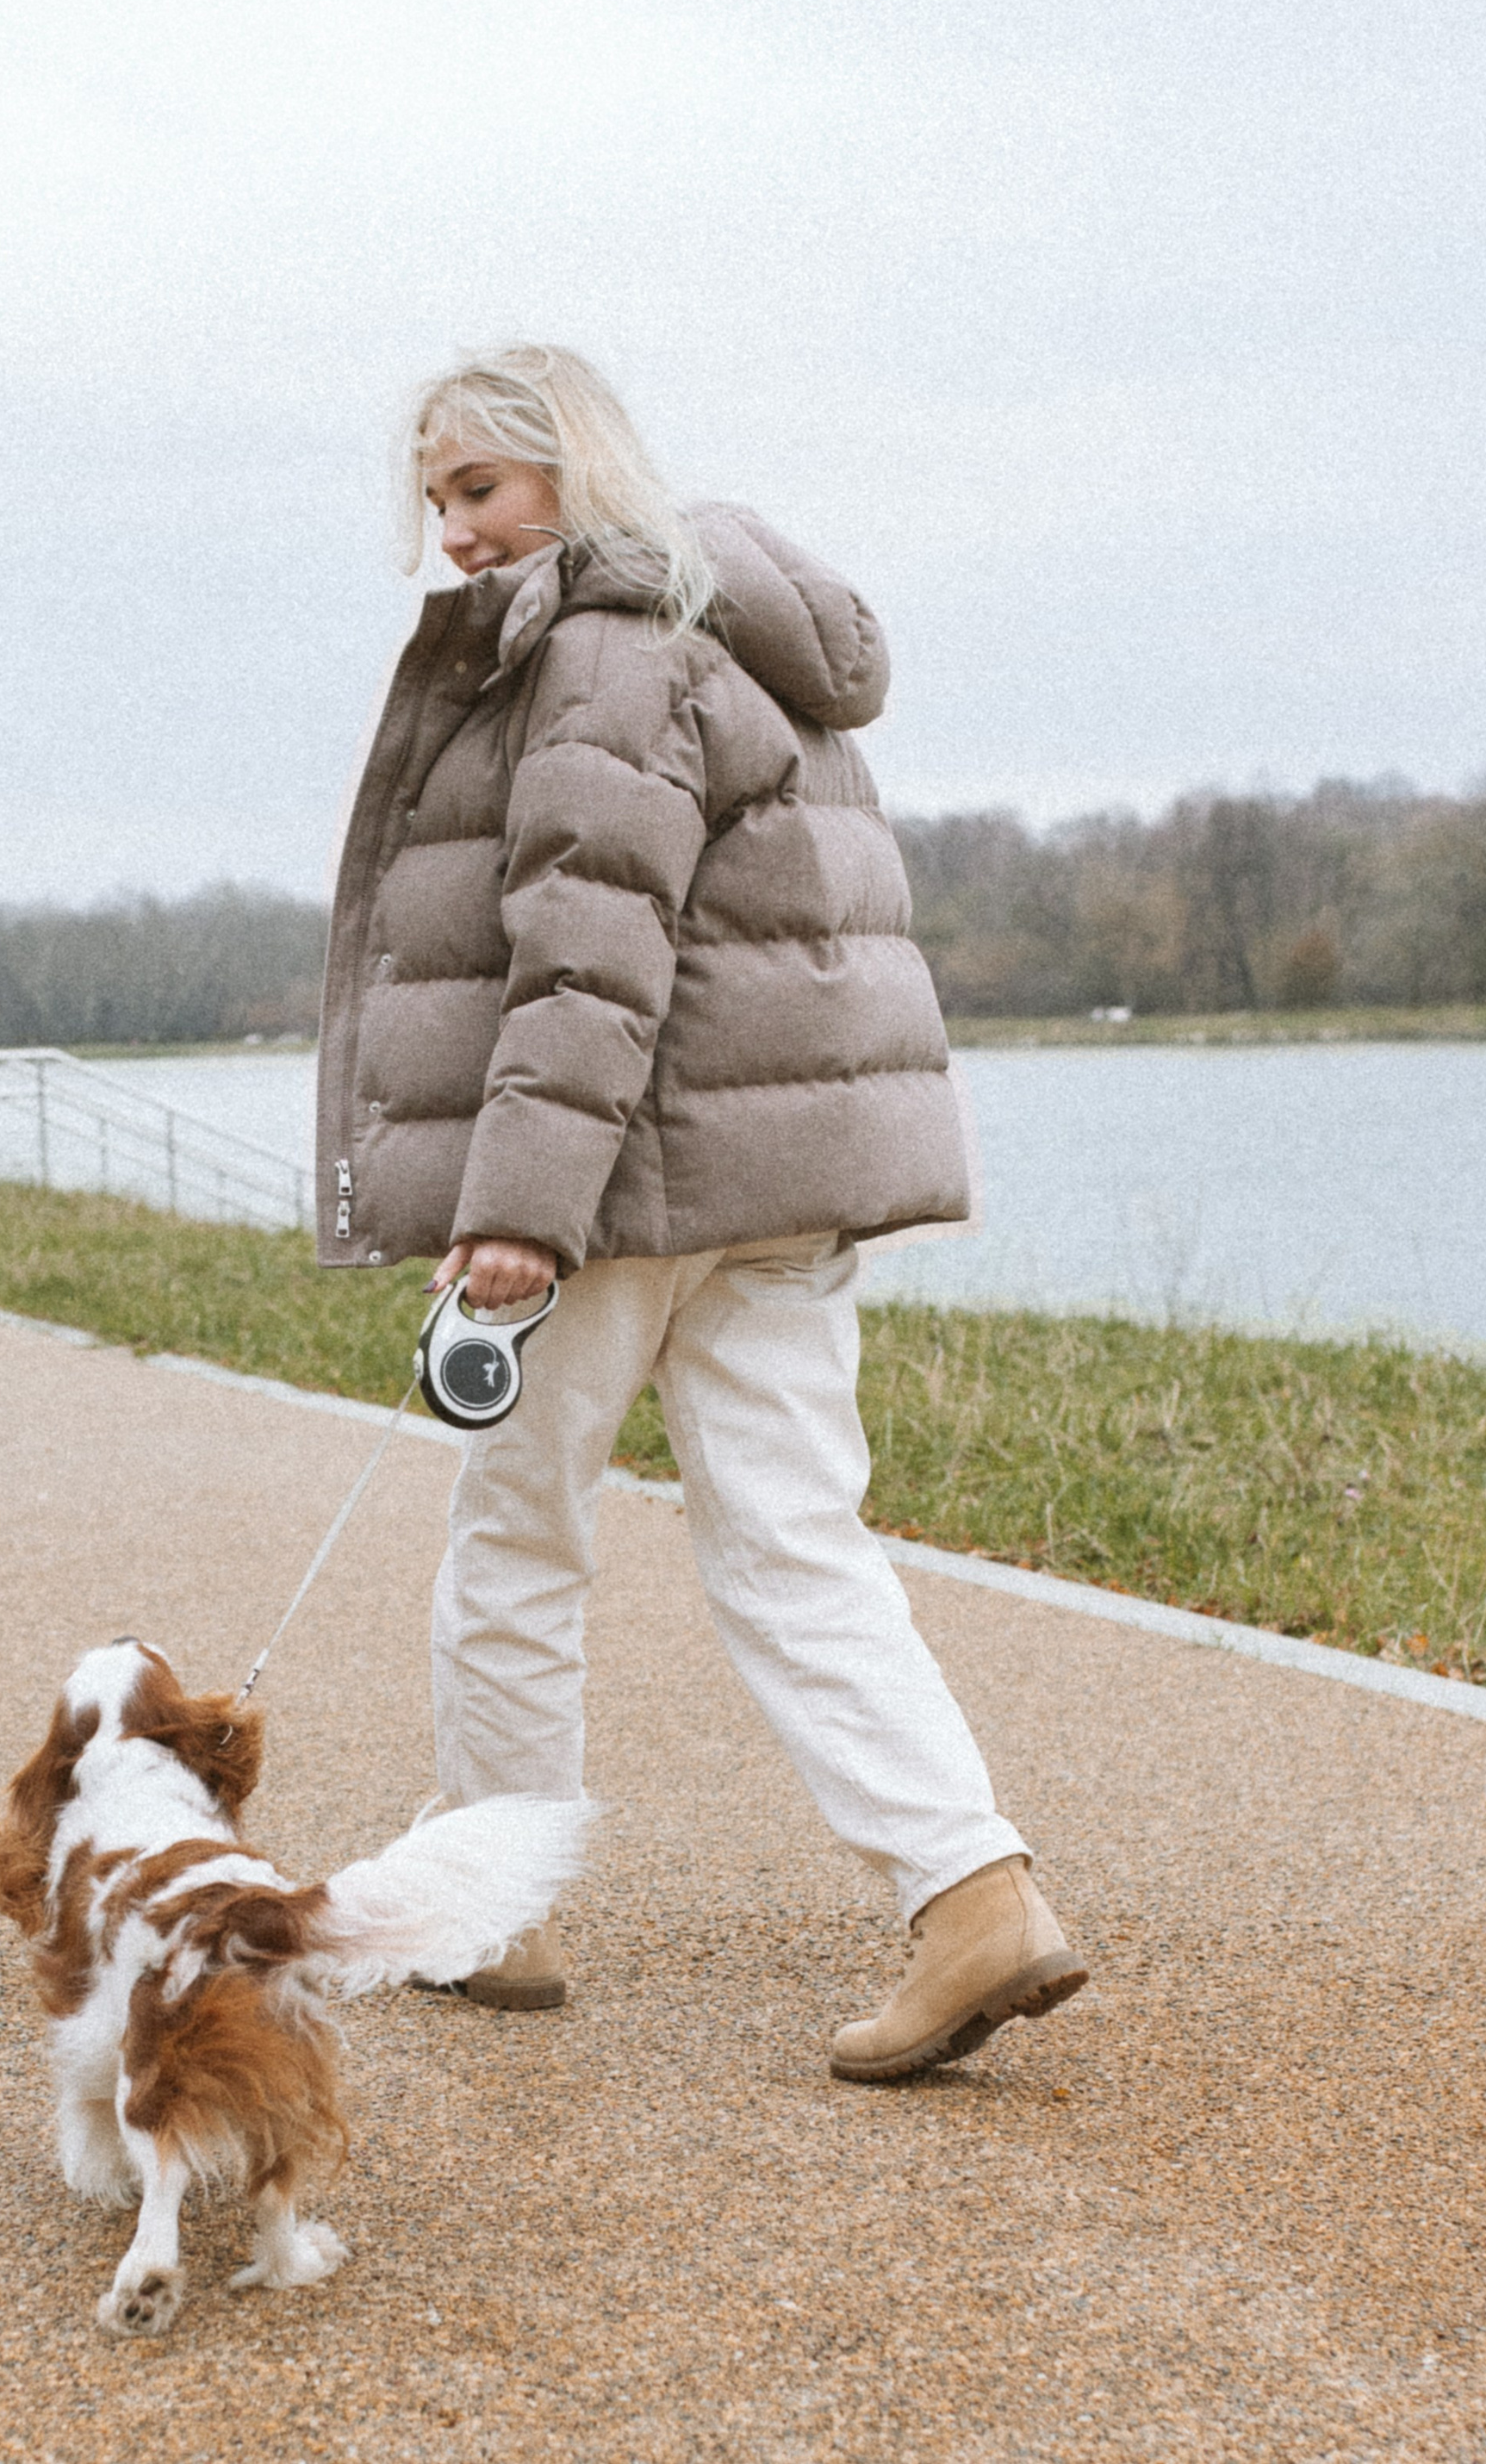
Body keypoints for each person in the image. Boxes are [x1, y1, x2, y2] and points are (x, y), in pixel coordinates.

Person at [314, 345, 1085, 2081]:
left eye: (476, 490)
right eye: (434, 499)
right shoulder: (733, 629)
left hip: (617, 1193)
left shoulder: (596, 648)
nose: (450, 533)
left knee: (518, 1535)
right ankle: (970, 1894)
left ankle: (485, 1904)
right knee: (798, 1542)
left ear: (571, 474)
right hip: (781, 1187)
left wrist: (517, 1212)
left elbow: (588, 949)